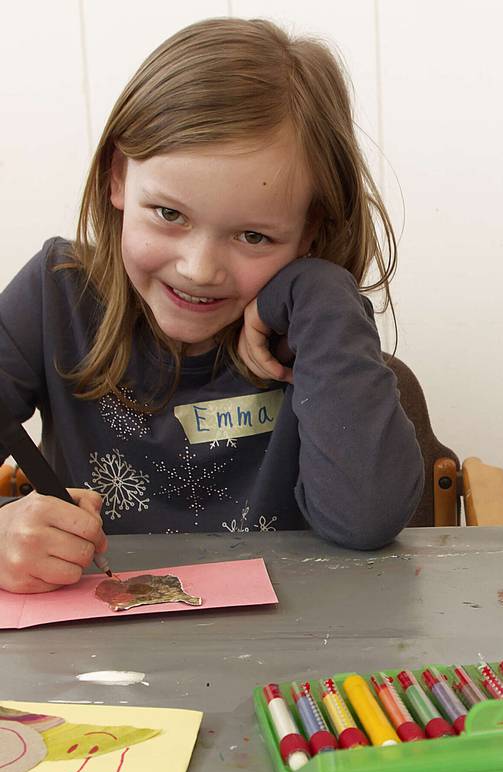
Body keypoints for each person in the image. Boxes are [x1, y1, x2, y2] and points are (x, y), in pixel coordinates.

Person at [0, 18, 423, 594]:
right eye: (169, 215)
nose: (199, 268)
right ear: (117, 177)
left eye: (254, 236)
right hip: (102, 663)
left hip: (285, 667)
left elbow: (365, 519)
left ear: (310, 232)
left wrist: (323, 291)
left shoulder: (319, 330)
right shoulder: (57, 295)